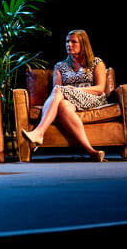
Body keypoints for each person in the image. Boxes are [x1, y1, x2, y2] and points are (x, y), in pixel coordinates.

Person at [21, 29, 108, 162]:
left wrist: (74, 90)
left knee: (59, 90)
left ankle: (39, 132)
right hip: (71, 101)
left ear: (83, 44)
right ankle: (92, 151)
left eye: (74, 42)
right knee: (62, 104)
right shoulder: (60, 66)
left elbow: (100, 89)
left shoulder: (96, 62)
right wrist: (68, 92)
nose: (69, 44)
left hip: (93, 98)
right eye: (67, 41)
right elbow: (57, 91)